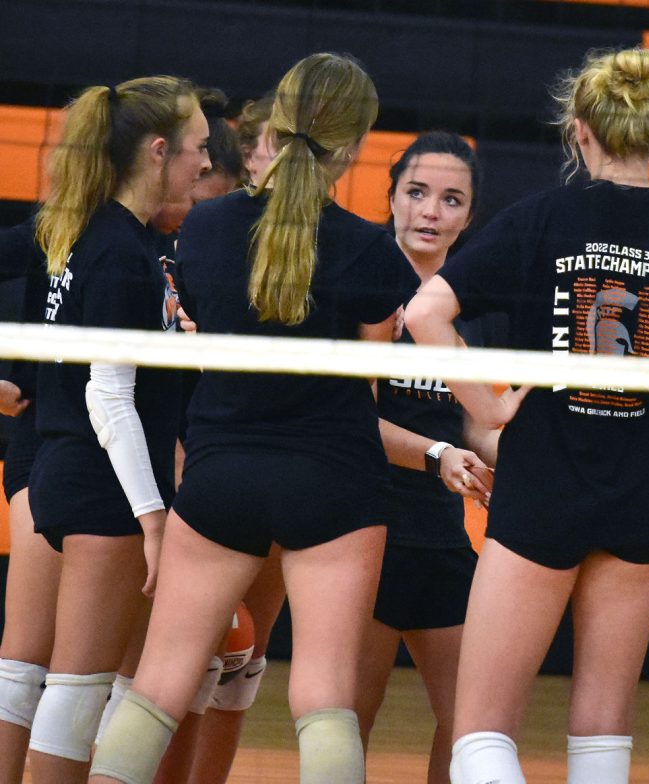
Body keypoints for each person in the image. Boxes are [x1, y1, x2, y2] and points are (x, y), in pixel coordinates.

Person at [404, 46, 649, 784]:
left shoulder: (539, 219)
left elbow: (427, 312)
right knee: (601, 732)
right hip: (640, 498)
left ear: (580, 131)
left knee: (481, 732)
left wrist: (489, 409)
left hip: (541, 489)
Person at [88, 52, 415, 784]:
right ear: (356, 144)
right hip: (334, 482)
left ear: (278, 124)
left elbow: (201, 334)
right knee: (323, 696)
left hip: (222, 474)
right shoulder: (369, 248)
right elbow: (373, 379)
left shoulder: (203, 230)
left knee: (160, 684)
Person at [19, 76, 210, 783]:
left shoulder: (96, 234)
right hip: (102, 487)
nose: (203, 163)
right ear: (158, 152)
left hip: (68, 473)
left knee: (77, 690)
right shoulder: (118, 253)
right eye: (197, 149)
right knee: (74, 694)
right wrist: (153, 516)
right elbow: (109, 396)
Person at [354, 131, 497, 784]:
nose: (430, 211)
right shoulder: (363, 287)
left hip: (442, 537)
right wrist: (438, 452)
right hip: (365, 530)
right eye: (416, 192)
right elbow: (353, 418)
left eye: (450, 199)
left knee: (471, 722)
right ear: (390, 198)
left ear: (468, 216)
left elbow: (481, 426)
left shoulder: (475, 308)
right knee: (347, 718)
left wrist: (521, 457)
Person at [183, 89, 287, 784]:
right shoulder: (197, 233)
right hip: (196, 456)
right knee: (184, 660)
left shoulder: (305, 241)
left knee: (245, 660)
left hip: (278, 456)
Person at [0, 216, 56, 784]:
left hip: (164, 460)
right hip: (48, 447)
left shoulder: (202, 236)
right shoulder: (54, 229)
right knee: (27, 659)